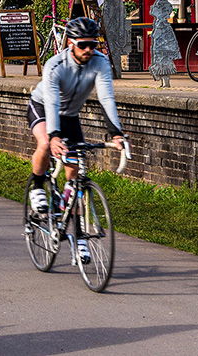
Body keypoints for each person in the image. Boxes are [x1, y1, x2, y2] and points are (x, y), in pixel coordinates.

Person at [25, 17, 125, 259]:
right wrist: (55, 136)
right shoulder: (55, 65)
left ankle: (79, 237)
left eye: (94, 44)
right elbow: (51, 101)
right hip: (43, 107)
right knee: (45, 144)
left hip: (69, 115)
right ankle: (37, 187)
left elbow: (106, 99)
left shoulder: (100, 63)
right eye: (83, 45)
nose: (89, 50)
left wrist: (117, 133)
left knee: (76, 178)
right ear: (71, 43)